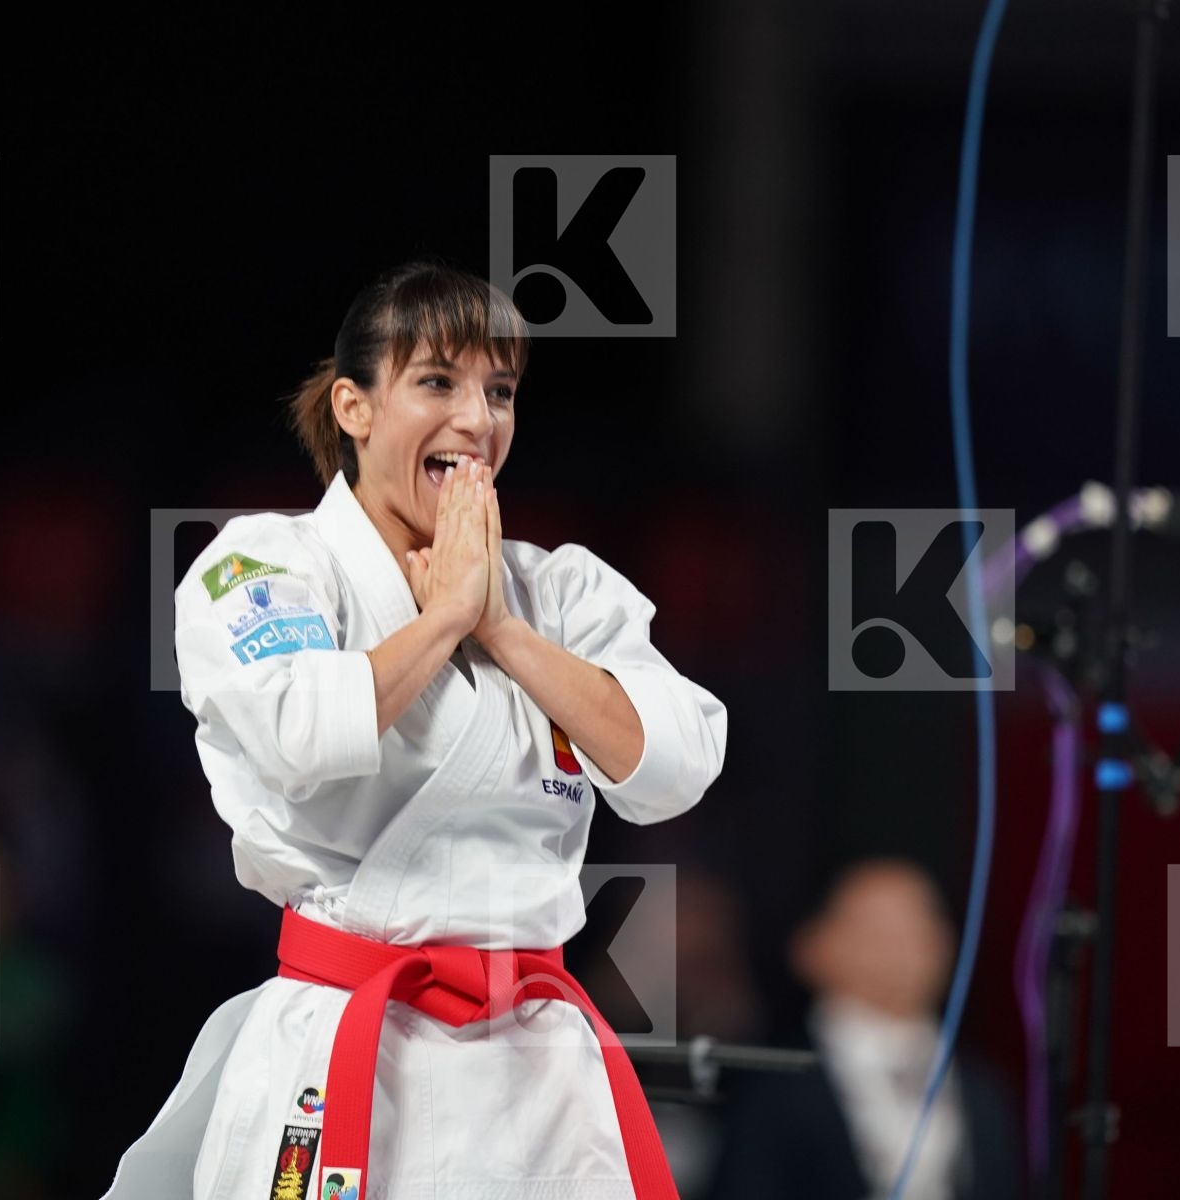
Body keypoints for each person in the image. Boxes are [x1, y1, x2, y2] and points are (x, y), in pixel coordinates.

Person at [99, 261, 728, 1200]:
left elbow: (674, 765)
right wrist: (440, 623)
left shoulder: (558, 591)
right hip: (348, 1049)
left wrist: (501, 629)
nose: (478, 419)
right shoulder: (267, 566)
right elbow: (301, 735)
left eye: (500, 390)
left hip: (539, 1074)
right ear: (354, 407)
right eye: (438, 381)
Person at [709, 859, 1019, 1200]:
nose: (903, 946)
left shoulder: (982, 1086)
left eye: (921, 922)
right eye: (877, 929)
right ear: (813, 947)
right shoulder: (771, 1085)